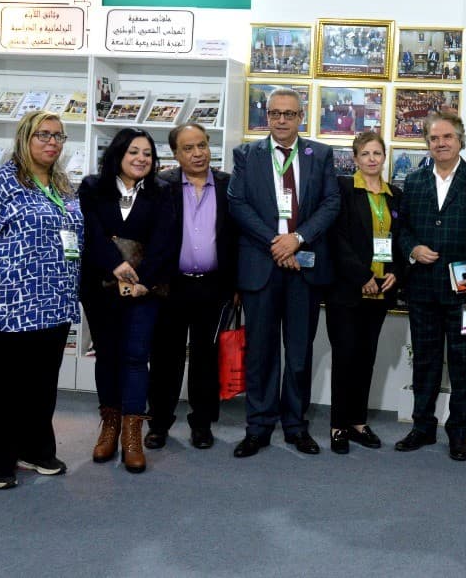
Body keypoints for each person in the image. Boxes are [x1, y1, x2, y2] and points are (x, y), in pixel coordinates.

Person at [0, 110, 82, 489]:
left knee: (39, 384)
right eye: (44, 135)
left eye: (58, 136)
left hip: (52, 304)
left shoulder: (63, 186)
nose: (52, 142)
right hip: (1, 305)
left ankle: (35, 449)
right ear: (24, 138)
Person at [228, 87, 339, 458]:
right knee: (260, 352)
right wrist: (277, 243)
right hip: (262, 264)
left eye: (289, 114)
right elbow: (238, 204)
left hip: (303, 266)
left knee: (298, 353)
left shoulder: (319, 154)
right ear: (267, 116)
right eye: (274, 113)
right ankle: (258, 427)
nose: (281, 120)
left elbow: (330, 203)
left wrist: (298, 239)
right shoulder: (247, 155)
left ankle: (295, 426)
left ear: (301, 117)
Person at [395, 111, 466, 461]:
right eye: (434, 138)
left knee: (464, 362)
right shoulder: (414, 180)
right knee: (426, 361)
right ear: (427, 144)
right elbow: (402, 229)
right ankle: (422, 427)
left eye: (447, 137)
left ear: (460, 140)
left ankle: (459, 433)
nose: (441, 143)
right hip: (423, 289)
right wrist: (412, 249)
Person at [80, 128, 175, 474]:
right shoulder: (92, 187)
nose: (141, 159)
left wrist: (143, 281)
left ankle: (132, 436)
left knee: (136, 357)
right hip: (100, 287)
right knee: (107, 356)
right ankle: (109, 427)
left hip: (144, 291)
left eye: (147, 153)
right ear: (118, 154)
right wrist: (115, 264)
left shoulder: (162, 191)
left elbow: (166, 240)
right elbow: (90, 232)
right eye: (134, 151)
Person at [144, 124, 238, 451]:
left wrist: (236, 284)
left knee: (206, 359)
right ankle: (158, 423)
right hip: (171, 287)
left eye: (202, 145)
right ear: (175, 154)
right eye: (188, 148)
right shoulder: (161, 185)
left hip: (213, 287)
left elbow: (236, 238)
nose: (198, 153)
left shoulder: (228, 185)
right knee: (165, 359)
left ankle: (202, 424)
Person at [325, 131, 404, 454]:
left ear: (384, 157)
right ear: (355, 159)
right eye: (366, 154)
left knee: (366, 358)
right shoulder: (343, 189)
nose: (372, 159)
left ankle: (358, 422)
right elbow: (337, 239)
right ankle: (338, 426)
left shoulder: (395, 195)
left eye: (377, 153)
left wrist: (396, 271)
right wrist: (362, 276)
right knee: (345, 357)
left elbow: (400, 240)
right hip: (347, 290)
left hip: (381, 291)